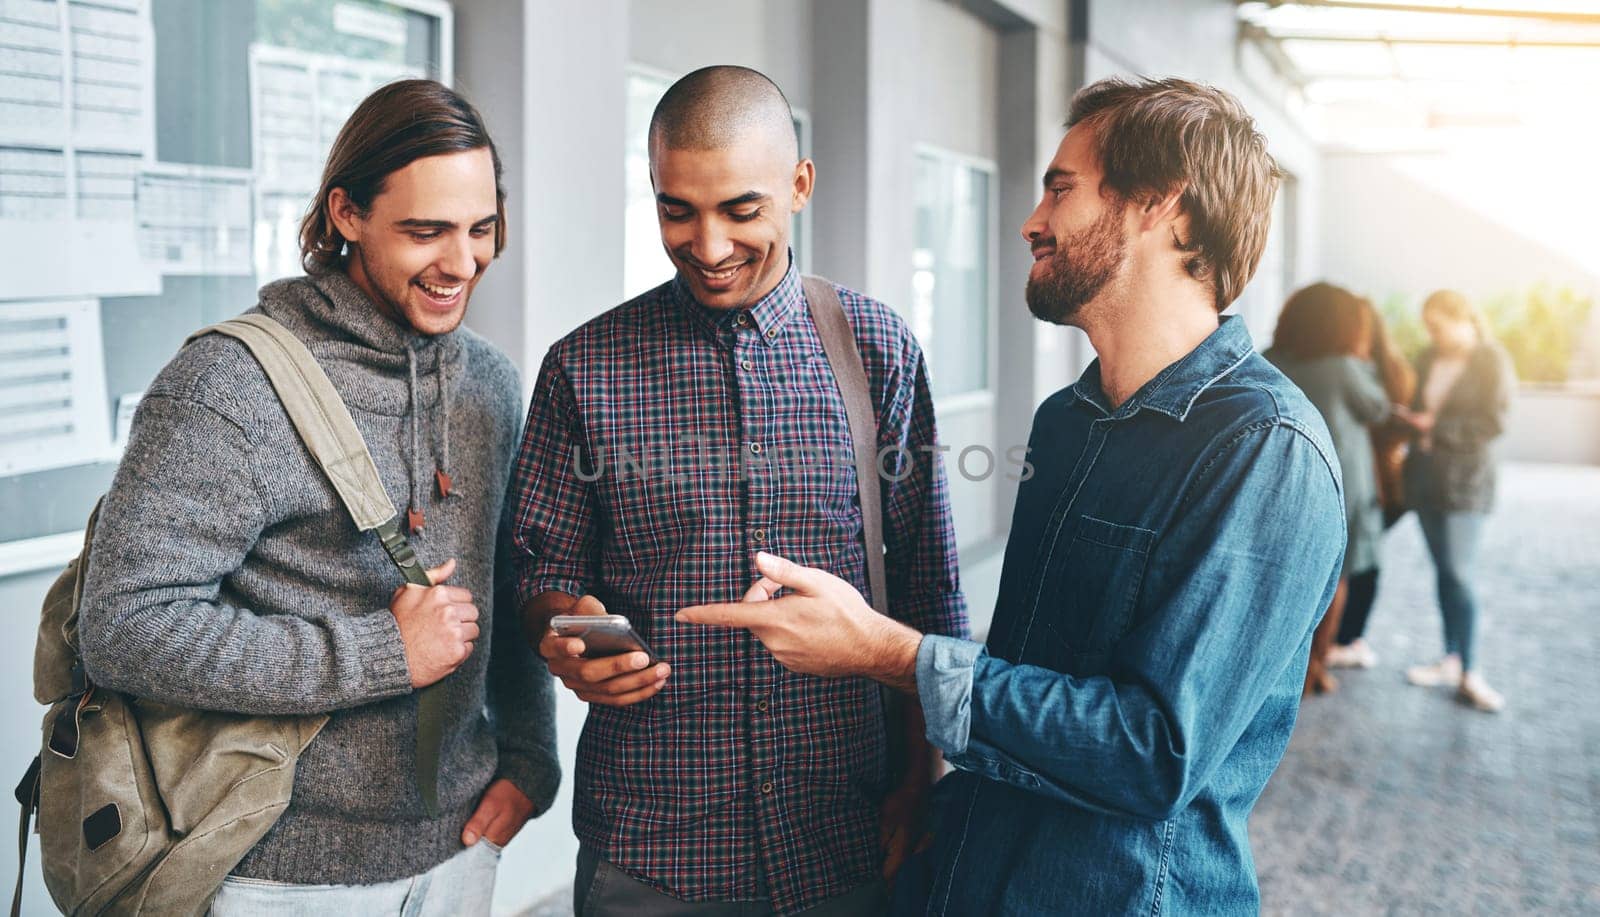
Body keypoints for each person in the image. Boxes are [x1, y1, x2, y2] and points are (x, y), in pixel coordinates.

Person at [678, 77, 1346, 914]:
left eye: (1061, 187)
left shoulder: (1265, 450)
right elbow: (1024, 680)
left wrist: (888, 651)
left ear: (1160, 205)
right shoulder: (1067, 421)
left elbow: (1153, 753)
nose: (1032, 219)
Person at [76, 80, 559, 914]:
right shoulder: (228, 386)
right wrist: (378, 652)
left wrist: (529, 760)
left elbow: (505, 586)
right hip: (276, 874)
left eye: (482, 229)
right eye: (425, 231)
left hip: (459, 855)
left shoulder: (491, 383)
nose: (463, 262)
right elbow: (122, 626)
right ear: (346, 213)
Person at [508, 66, 966, 916]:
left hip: (846, 836)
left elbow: (930, 589)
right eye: (676, 209)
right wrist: (570, 640)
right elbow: (540, 575)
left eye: (740, 211)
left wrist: (922, 782)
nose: (708, 245)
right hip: (649, 850)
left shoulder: (879, 351)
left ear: (799, 186)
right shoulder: (585, 368)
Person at [1265, 283, 1394, 694]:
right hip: (1341, 484)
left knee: (1281, 575)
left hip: (1281, 478)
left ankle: (1274, 666)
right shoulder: (1343, 367)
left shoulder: (1270, 360)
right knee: (1336, 575)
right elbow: (1379, 408)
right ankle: (1314, 668)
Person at [1397, 289, 1512, 713]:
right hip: (1425, 478)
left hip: (1466, 482)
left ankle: (1471, 670)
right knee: (1444, 572)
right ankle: (1450, 660)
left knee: (1460, 573)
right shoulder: (1427, 358)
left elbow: (1495, 420)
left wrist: (1436, 426)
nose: (1432, 335)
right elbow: (1411, 399)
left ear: (1462, 318)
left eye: (1437, 327)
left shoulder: (1491, 359)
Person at [1327, 297, 1417, 669]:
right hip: (1365, 472)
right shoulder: (1345, 365)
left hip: (1382, 476)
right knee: (1358, 555)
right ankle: (1339, 638)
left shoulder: (1381, 368)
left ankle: (1348, 637)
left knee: (1364, 557)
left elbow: (1385, 411)